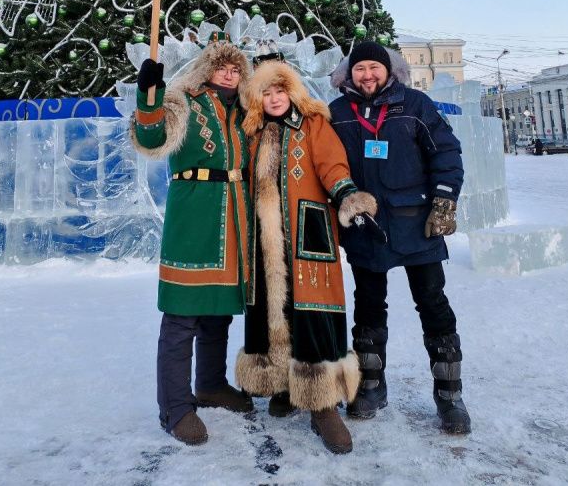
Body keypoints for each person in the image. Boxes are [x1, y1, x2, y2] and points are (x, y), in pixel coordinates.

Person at [235, 55, 381, 454]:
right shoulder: (252, 131)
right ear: (257, 98)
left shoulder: (313, 123)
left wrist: (348, 195)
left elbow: (332, 166)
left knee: (315, 315)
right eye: (266, 91)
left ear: (292, 91)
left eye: (280, 89)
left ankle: (322, 404)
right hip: (265, 242)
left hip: (308, 233)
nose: (274, 98)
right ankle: (283, 386)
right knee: (272, 315)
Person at [329, 41, 471, 434]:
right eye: (360, 69)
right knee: (369, 308)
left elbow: (446, 151)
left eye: (374, 67)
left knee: (433, 305)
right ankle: (371, 386)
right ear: (350, 73)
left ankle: (449, 396)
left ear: (388, 70)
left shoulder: (415, 104)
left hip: (417, 223)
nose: (367, 75)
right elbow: (324, 163)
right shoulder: (337, 112)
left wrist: (444, 200)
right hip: (366, 228)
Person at [131, 33, 254, 446]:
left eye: (237, 69)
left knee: (218, 311)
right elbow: (151, 137)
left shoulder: (246, 112)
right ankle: (176, 407)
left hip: (237, 218)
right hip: (194, 215)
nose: (229, 74)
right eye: (223, 66)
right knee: (183, 314)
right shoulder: (185, 101)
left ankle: (211, 385)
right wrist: (149, 94)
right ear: (207, 68)